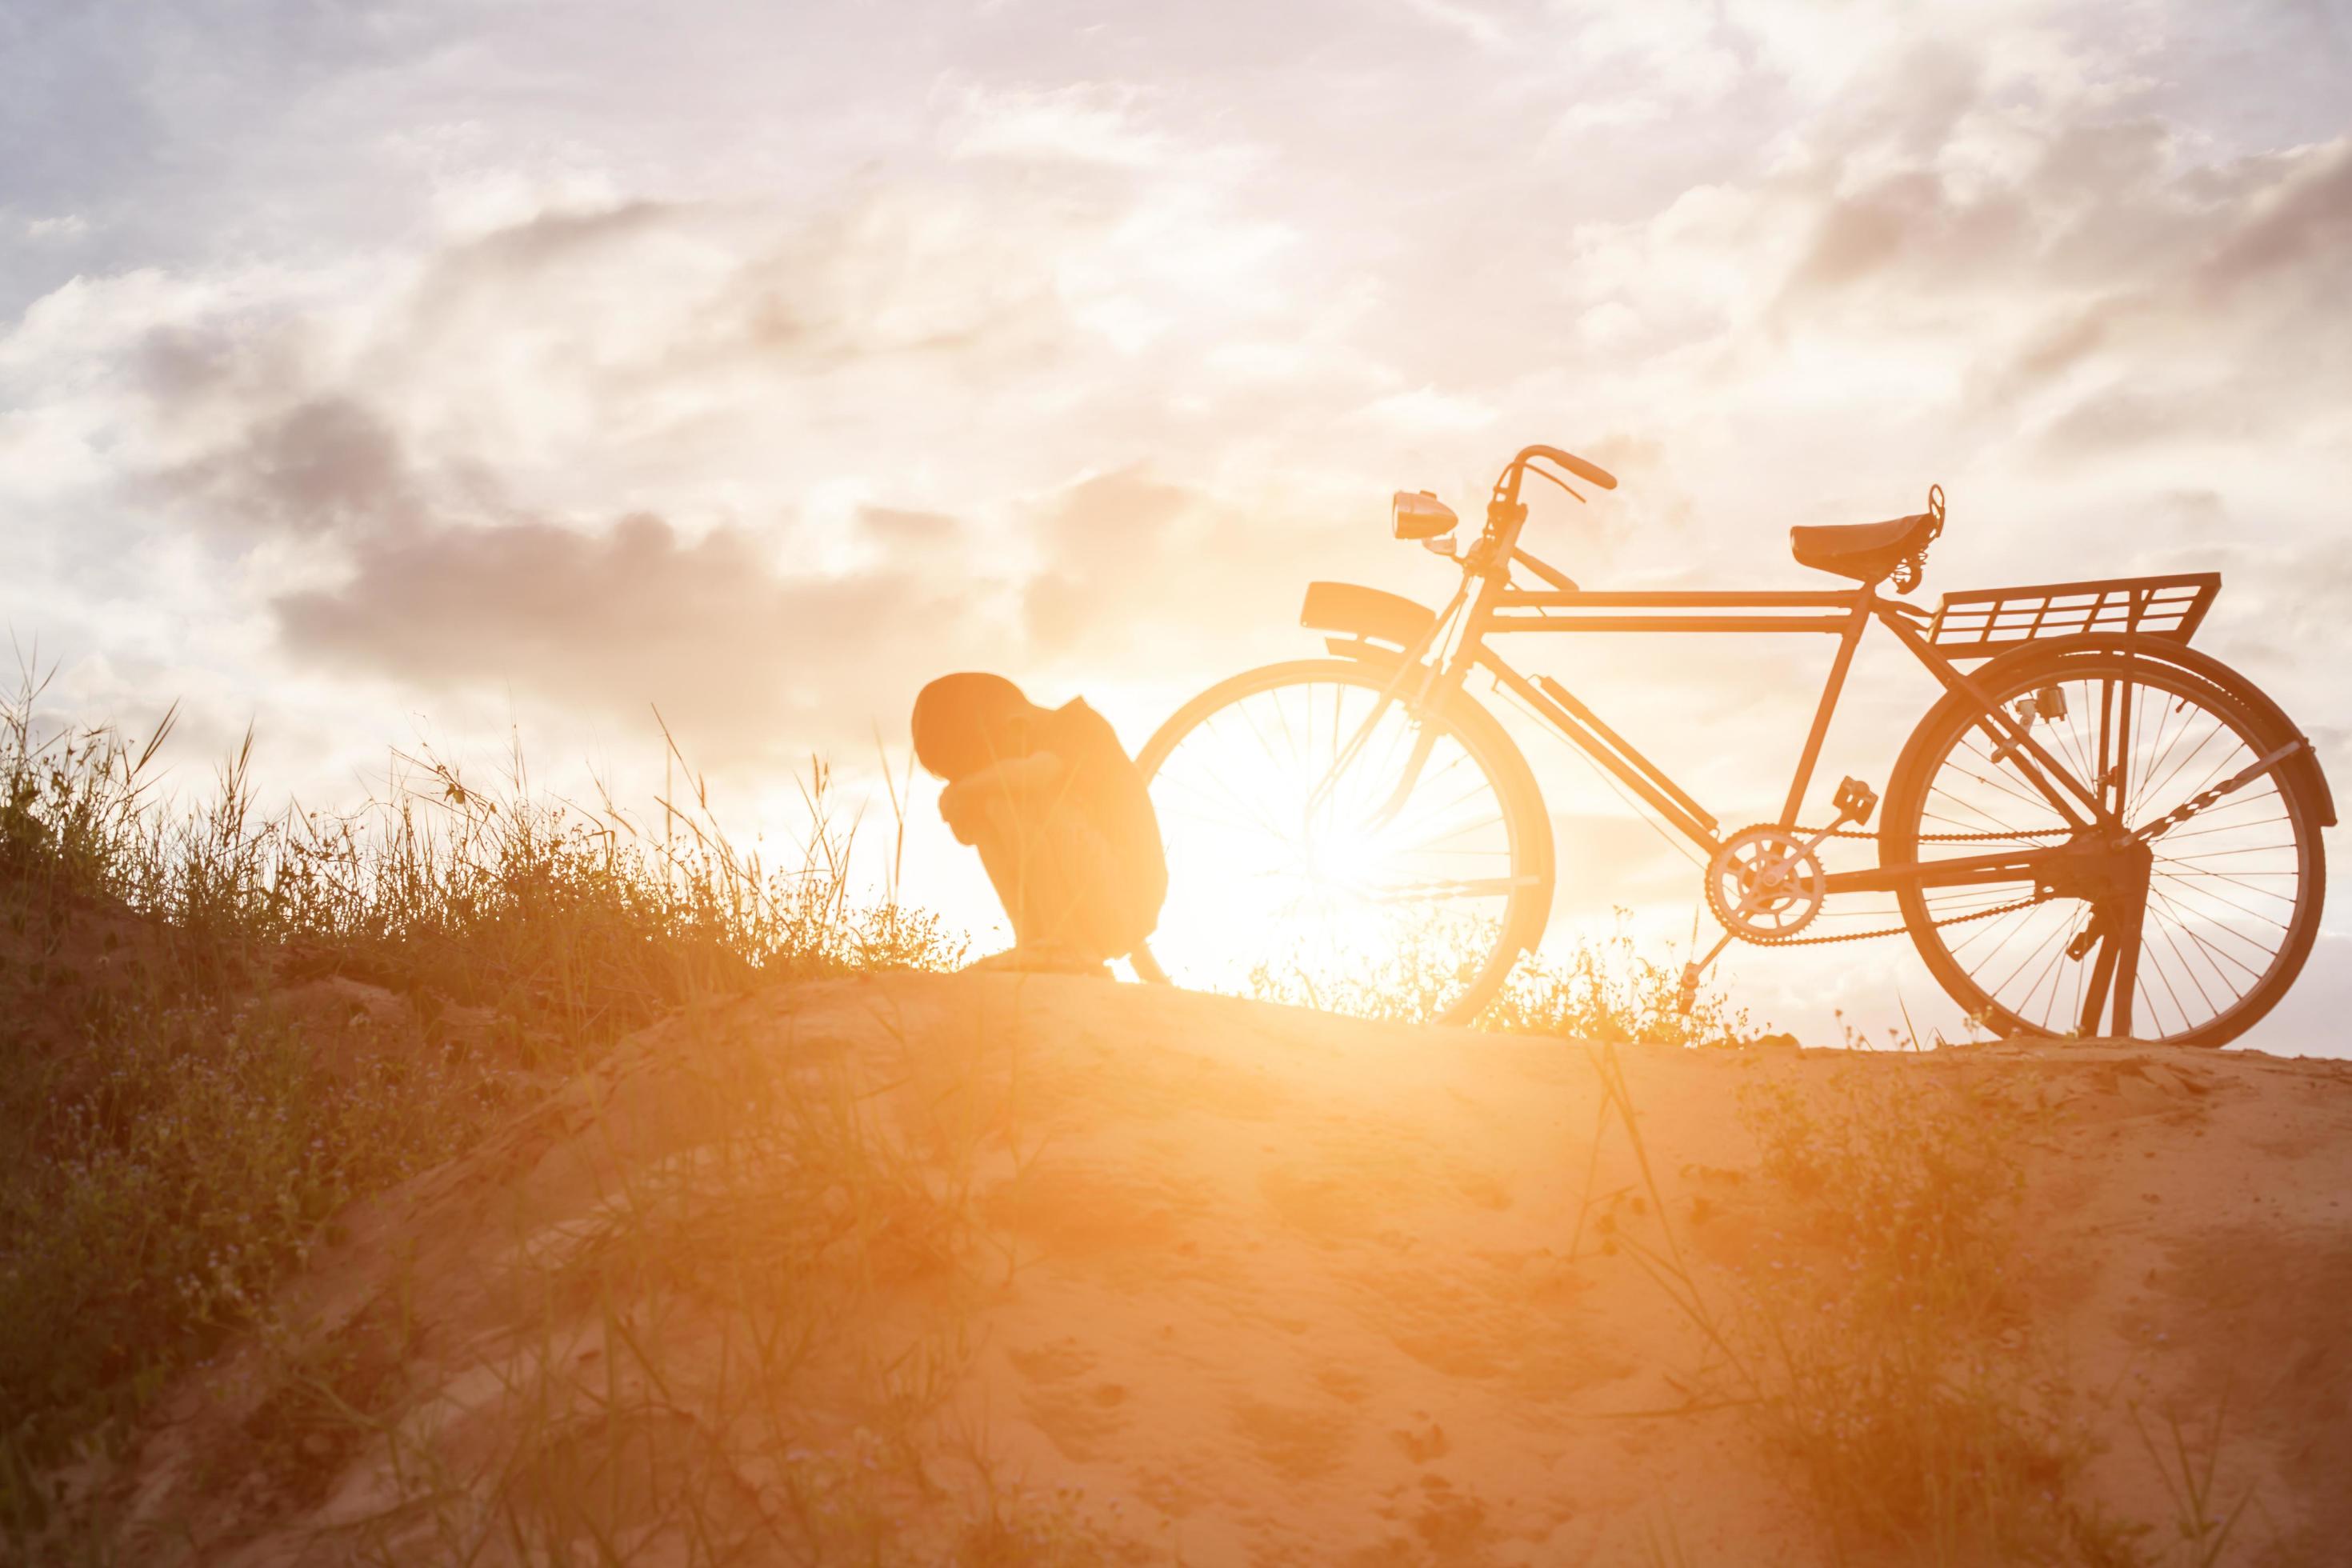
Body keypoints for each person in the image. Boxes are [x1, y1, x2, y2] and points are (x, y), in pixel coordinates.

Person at [911, 673, 1167, 974]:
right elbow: (969, 835)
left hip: (1125, 900)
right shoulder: (1013, 766)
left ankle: (1069, 947)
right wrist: (965, 801)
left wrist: (967, 788)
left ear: (1014, 724)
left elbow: (1040, 773)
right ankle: (1035, 942)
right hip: (1100, 899)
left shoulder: (1077, 724)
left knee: (1005, 792)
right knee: (992, 797)